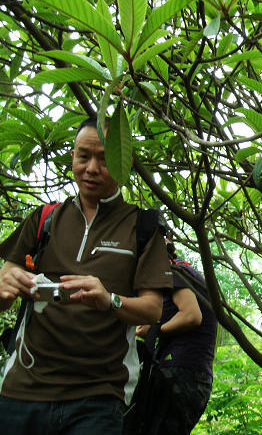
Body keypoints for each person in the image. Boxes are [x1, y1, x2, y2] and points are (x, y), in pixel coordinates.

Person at [0, 117, 173, 435]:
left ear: (124, 162)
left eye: (104, 159)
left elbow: (152, 310)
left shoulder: (143, 228)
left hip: (98, 398)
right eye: (83, 156)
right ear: (73, 157)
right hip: (21, 390)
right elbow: (5, 284)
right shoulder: (44, 218)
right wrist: (7, 287)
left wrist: (110, 300)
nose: (92, 168)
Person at [131, 239, 217, 435]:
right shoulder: (184, 273)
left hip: (179, 371)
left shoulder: (173, 272)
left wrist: (154, 330)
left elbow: (191, 315)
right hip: (194, 374)